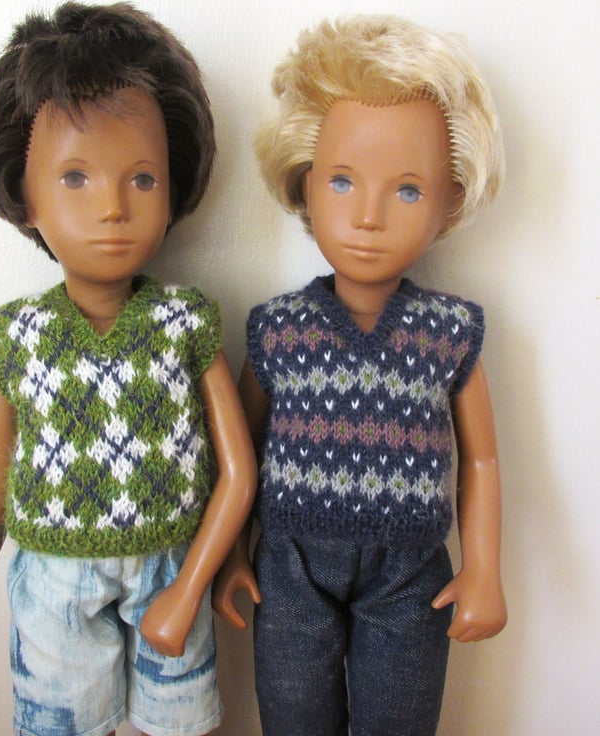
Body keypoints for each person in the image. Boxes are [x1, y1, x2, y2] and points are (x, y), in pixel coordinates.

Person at [0, 4, 256, 736]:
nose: (111, 206)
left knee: (184, 724)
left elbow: (237, 472)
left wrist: (197, 581)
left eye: (143, 179)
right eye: (75, 177)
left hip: (172, 565)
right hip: (53, 580)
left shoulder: (186, 324)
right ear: (24, 195)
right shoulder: (17, 337)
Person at [213, 15, 507, 736]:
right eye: (342, 182)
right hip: (290, 568)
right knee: (294, 719)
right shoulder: (277, 330)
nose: (368, 217)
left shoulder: (447, 333)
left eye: (407, 191)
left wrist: (483, 568)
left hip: (411, 577)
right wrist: (232, 556)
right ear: (304, 181)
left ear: (448, 201)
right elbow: (239, 455)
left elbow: (483, 460)